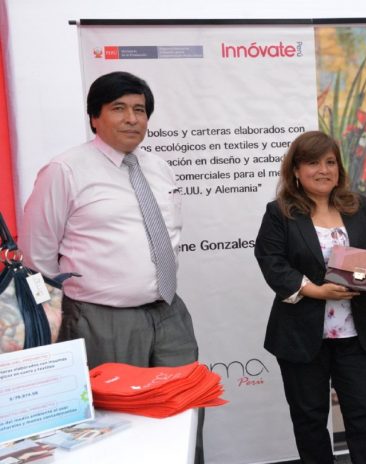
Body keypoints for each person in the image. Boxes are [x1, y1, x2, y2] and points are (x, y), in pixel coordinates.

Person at [20, 71, 203, 461]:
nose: (132, 118)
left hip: (169, 314)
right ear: (94, 117)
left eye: (140, 109)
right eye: (118, 108)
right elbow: (38, 255)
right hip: (102, 320)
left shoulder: (159, 168)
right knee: (118, 430)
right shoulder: (65, 170)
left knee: (184, 415)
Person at [255, 131, 366, 464]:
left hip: (356, 335)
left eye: (330, 162)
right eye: (313, 162)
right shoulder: (280, 212)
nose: (323, 170)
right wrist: (316, 290)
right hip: (301, 335)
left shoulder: (360, 207)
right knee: (310, 420)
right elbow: (271, 261)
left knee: (364, 417)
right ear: (296, 170)